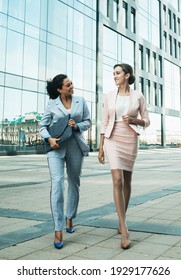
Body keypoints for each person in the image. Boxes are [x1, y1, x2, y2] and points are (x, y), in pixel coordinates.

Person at [98, 63, 150, 249]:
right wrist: (101, 147)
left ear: (127, 75)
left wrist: (134, 120)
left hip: (129, 138)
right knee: (117, 180)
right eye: (113, 73)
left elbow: (147, 121)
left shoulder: (138, 96)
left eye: (118, 73)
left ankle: (121, 219)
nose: (115, 76)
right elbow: (104, 122)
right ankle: (125, 228)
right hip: (112, 137)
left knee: (127, 181)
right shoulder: (109, 96)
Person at [39, 74, 91, 249]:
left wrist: (77, 126)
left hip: (75, 146)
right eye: (68, 85)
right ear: (59, 89)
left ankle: (70, 217)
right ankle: (58, 229)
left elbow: (88, 121)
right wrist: (49, 140)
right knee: (58, 184)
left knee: (74, 183)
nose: (72, 86)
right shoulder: (51, 104)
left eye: (72, 83)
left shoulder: (80, 100)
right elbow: (43, 127)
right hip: (56, 148)